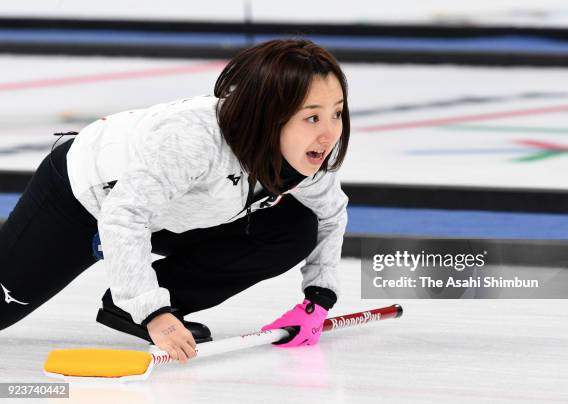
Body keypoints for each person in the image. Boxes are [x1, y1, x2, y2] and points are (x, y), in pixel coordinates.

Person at [0, 38, 350, 363]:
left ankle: (136, 308)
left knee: (296, 226)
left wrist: (318, 301)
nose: (329, 132)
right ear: (268, 116)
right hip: (86, 199)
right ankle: (142, 305)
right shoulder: (192, 140)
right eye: (312, 117)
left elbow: (330, 215)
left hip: (171, 213)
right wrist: (152, 312)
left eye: (336, 113)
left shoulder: (309, 154)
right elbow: (124, 214)